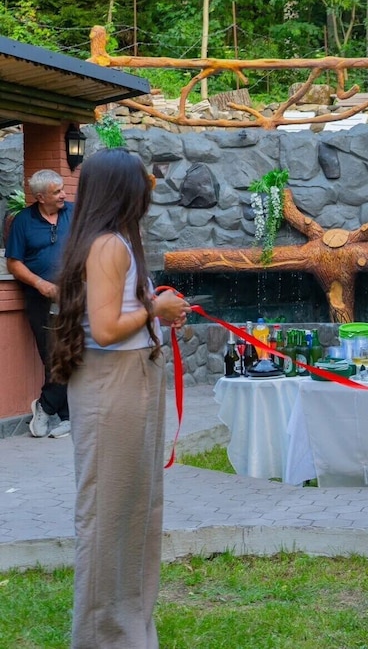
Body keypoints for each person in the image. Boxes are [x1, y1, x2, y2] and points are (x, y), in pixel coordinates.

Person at [49, 148, 190, 648]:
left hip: (131, 379)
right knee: (109, 513)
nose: (148, 191)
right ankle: (101, 636)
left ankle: (128, 629)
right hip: (114, 385)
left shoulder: (113, 241)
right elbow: (107, 329)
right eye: (142, 183)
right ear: (123, 191)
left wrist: (157, 311)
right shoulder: (108, 245)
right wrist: (156, 309)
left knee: (135, 509)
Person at [5, 169, 73, 438]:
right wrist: (40, 283)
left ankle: (46, 405)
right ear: (40, 197)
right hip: (40, 299)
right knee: (53, 354)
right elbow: (14, 263)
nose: (64, 195)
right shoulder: (23, 221)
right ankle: (65, 416)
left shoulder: (73, 213)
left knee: (74, 353)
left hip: (75, 295)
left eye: (63, 189)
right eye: (57, 192)